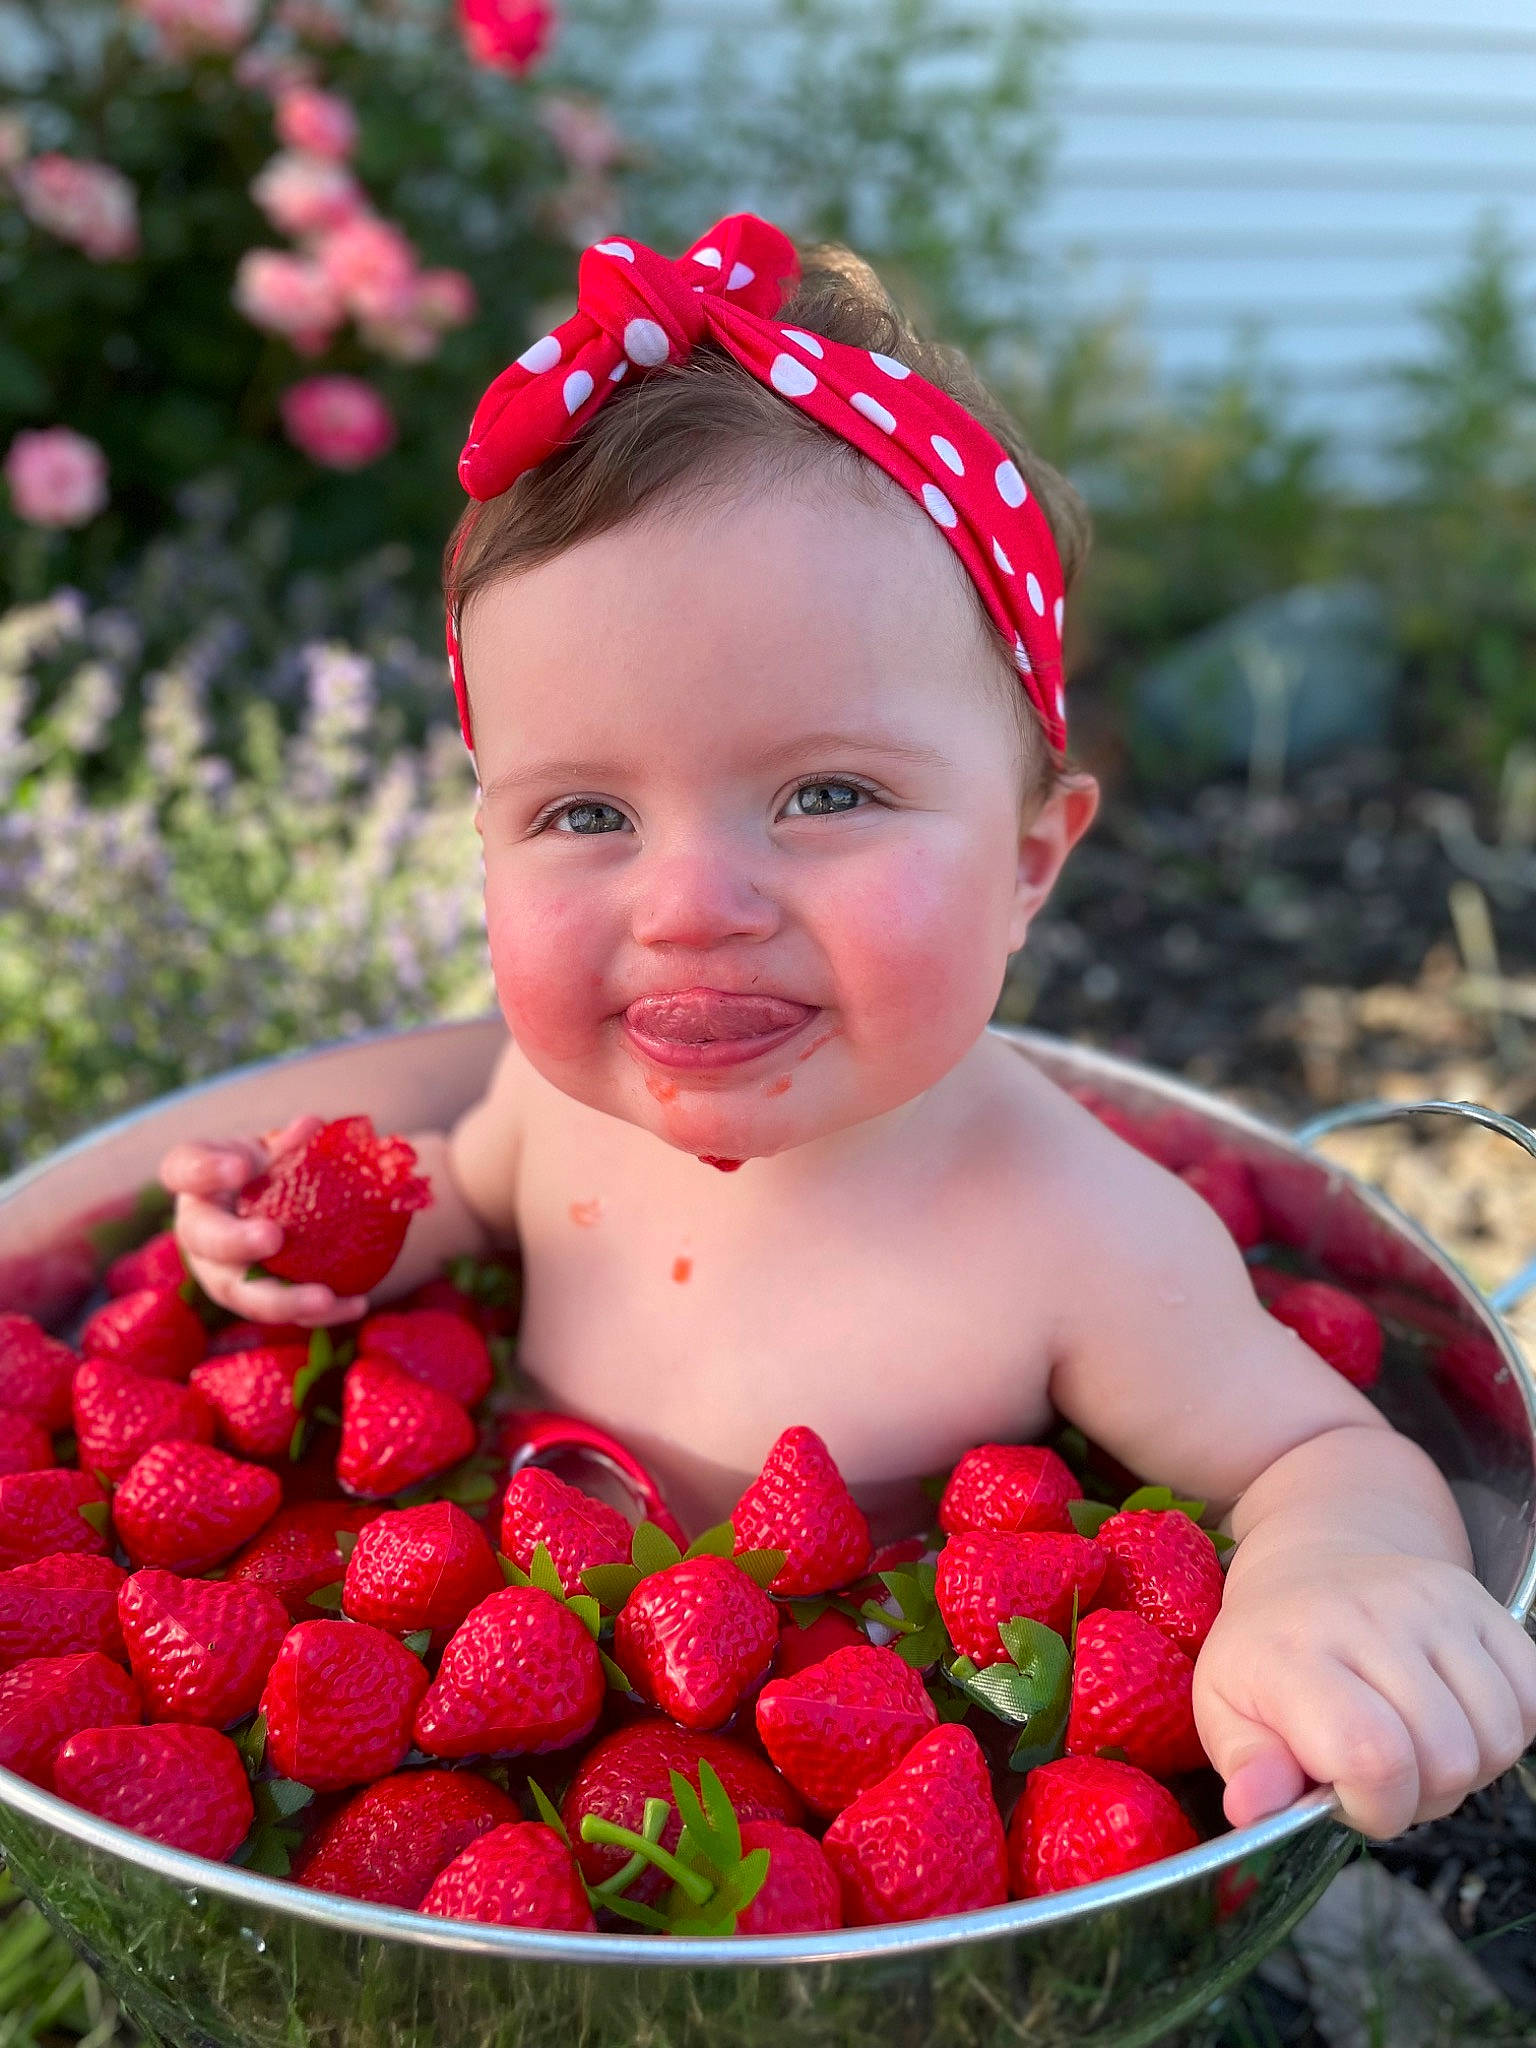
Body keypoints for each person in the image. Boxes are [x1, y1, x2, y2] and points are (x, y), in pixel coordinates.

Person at [161, 214, 1536, 1843]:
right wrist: (316, 1238)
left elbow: (1323, 1447)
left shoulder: (1076, 1228)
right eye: (586, 811)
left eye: (827, 793)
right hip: (508, 1682)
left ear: (1030, 860)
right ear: (483, 842)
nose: (690, 903)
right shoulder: (558, 1099)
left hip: (889, 1762)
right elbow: (458, 1194)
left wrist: (1334, 1578)